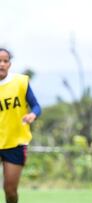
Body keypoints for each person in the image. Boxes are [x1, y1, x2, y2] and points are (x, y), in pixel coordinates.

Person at [0, 48, 42, 203]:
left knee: (10, 191)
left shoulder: (20, 82)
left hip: (15, 142)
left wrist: (33, 114)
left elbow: (36, 106)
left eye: (5, 61)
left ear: (10, 64)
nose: (2, 64)